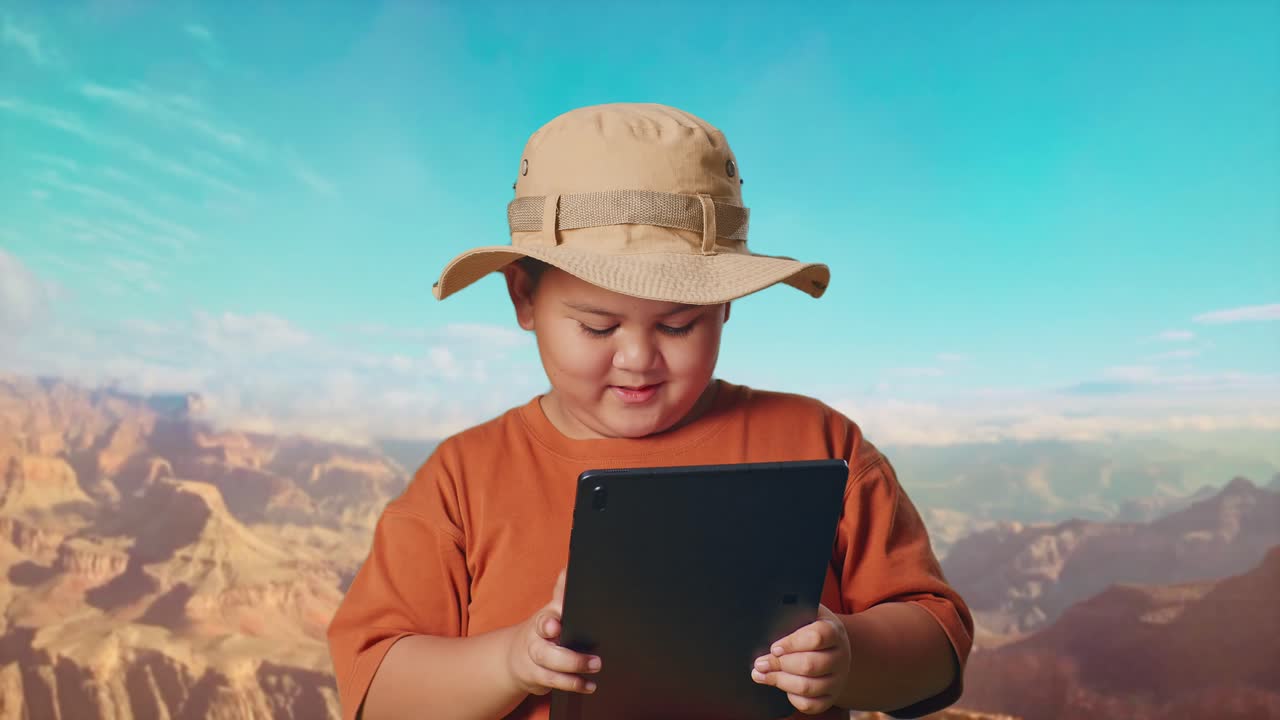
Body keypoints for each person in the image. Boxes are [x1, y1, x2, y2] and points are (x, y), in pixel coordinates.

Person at [327, 103, 973, 720]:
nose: (638, 359)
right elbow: (375, 689)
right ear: (524, 298)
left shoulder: (821, 442)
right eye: (598, 326)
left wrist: (852, 655)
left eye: (678, 325)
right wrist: (510, 661)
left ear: (726, 305)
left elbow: (938, 645)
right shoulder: (463, 480)